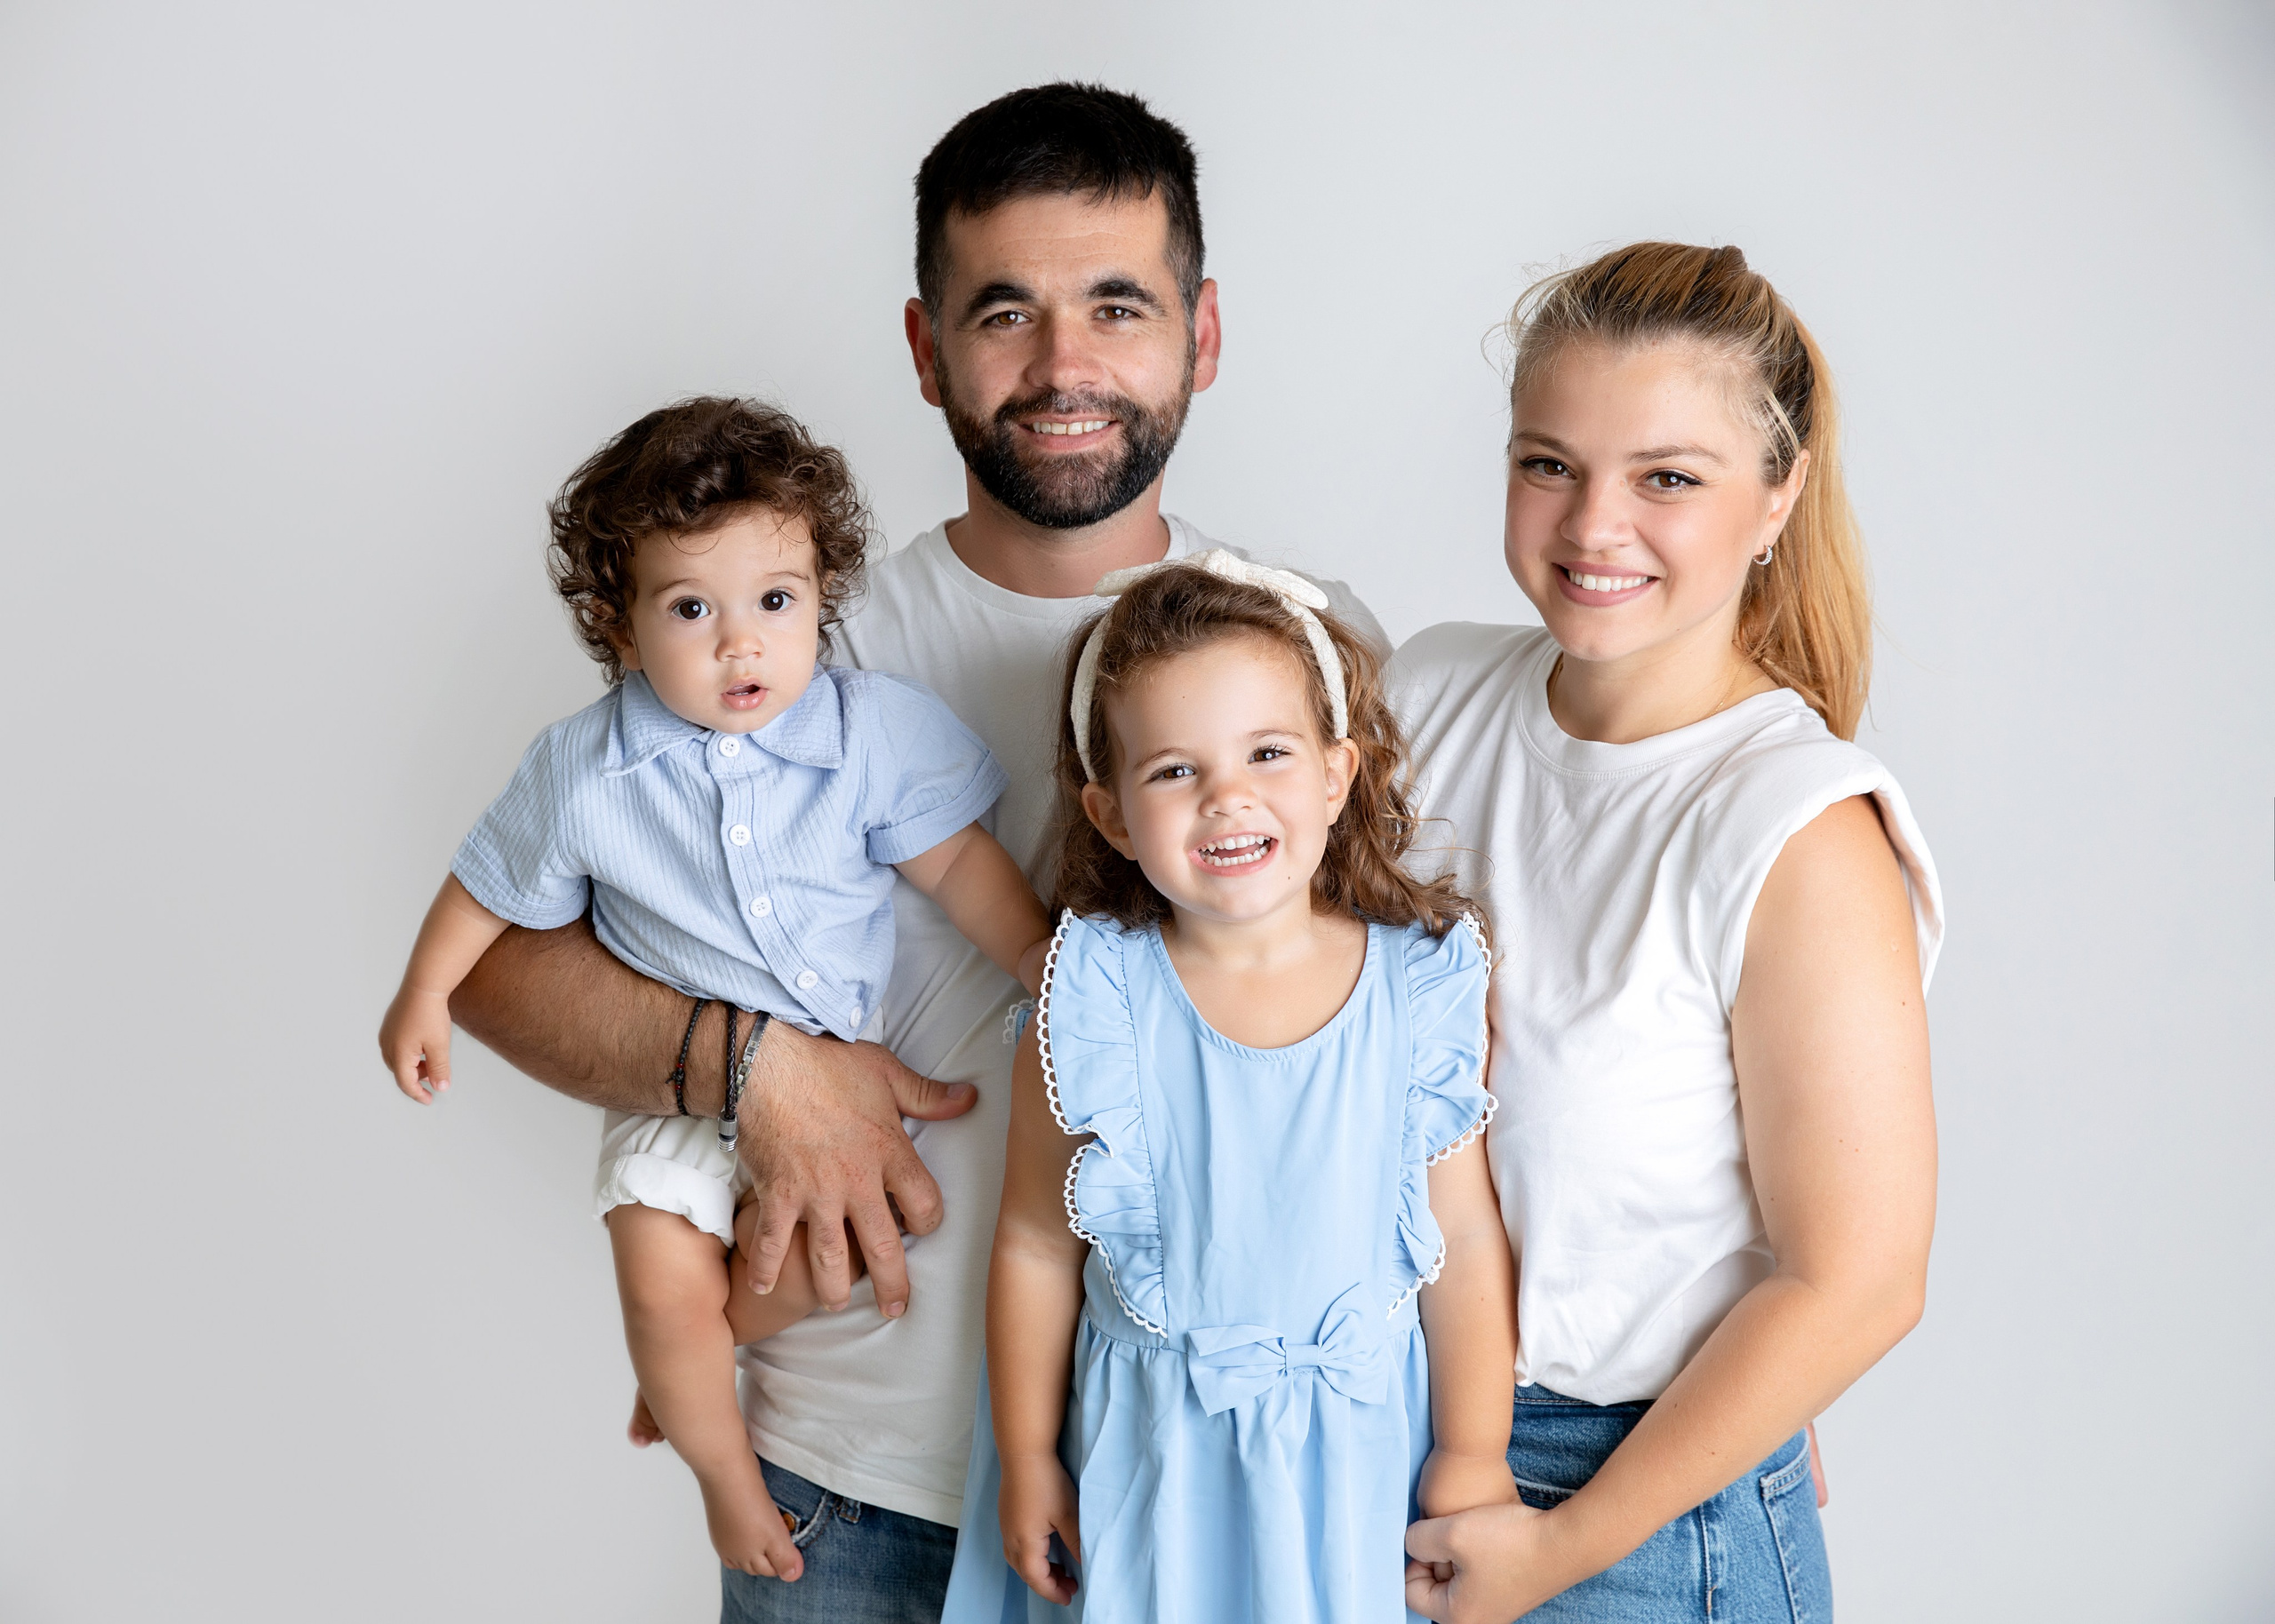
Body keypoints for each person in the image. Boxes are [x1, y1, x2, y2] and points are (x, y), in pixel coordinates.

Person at [443, 84, 1382, 1620]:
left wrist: (1654, 1358)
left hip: (1220, 1477)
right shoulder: (781, 640)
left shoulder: (1309, 651)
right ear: (925, 346)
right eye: (1005, 310)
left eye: (1118, 306)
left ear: (1201, 335)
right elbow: (494, 970)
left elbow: (1421, 1040)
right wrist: (758, 1067)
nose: (1064, 364)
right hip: (855, 1484)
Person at [379, 397, 1054, 1581]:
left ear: (822, 597)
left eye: (776, 605)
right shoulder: (584, 766)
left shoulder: (868, 731)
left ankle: (681, 1364)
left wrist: (1045, 963)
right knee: (657, 1267)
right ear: (622, 627)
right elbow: (486, 888)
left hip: (849, 1088)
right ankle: (722, 1471)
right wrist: (421, 997)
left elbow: (956, 865)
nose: (742, 645)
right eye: (694, 610)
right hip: (680, 1101)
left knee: (844, 1244)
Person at [1393, 242, 1944, 1621]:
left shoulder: (1796, 830)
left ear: (1779, 497)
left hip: (1626, 1515)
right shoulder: (1430, 692)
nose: (1593, 526)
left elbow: (1858, 1283)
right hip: (1379, 1435)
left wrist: (1563, 1545)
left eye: (1669, 479)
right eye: (1549, 463)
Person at [941, 552, 1517, 1624]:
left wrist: (1473, 1453)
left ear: (1337, 773)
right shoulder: (1095, 995)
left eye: (1267, 752)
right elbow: (1030, 1239)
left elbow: (1465, 1242)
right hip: (1154, 1467)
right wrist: (1026, 1455)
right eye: (1173, 771)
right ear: (1109, 814)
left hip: (1357, 1473)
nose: (1227, 798)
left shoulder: (1420, 986)